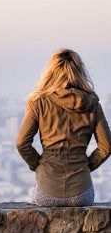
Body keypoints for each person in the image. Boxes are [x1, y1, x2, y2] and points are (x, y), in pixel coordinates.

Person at [16, 48, 111, 206]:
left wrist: (38, 166)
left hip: (47, 191)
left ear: (51, 73)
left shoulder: (39, 103)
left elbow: (21, 144)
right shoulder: (93, 104)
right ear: (80, 72)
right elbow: (106, 147)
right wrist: (86, 166)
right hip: (82, 193)